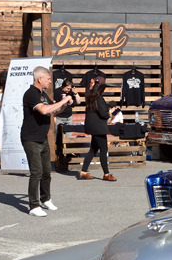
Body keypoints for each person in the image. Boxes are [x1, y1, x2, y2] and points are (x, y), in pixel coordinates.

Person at [21, 66, 72, 217]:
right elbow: (44, 110)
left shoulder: (43, 94)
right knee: (36, 172)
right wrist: (63, 100)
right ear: (40, 79)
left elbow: (54, 110)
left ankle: (45, 199)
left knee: (46, 171)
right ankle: (33, 206)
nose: (50, 81)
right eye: (48, 79)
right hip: (31, 138)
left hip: (42, 138)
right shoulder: (31, 93)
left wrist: (63, 104)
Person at [79, 76, 116, 181]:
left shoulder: (91, 96)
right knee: (104, 149)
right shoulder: (99, 98)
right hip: (99, 127)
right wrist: (110, 113)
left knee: (93, 149)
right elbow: (103, 114)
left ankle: (83, 171)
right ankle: (106, 174)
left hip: (92, 126)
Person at [53, 76, 78, 171]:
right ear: (64, 86)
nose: (68, 90)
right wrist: (54, 116)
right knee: (57, 138)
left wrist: (75, 94)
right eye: (67, 88)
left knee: (68, 138)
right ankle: (57, 157)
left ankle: (65, 158)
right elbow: (54, 104)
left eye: (70, 89)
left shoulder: (71, 93)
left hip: (68, 117)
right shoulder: (57, 92)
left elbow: (78, 102)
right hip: (59, 117)